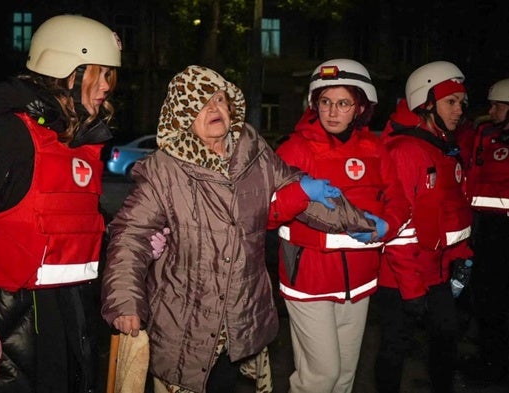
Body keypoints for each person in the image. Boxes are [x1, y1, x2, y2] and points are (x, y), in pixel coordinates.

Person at [99, 65, 379, 393]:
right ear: (182, 114)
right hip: (185, 322)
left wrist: (363, 223)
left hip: (242, 317)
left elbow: (302, 190)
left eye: (219, 99)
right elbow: (131, 235)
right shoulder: (164, 170)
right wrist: (124, 301)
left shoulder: (253, 151)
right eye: (202, 104)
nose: (215, 109)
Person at [0, 14, 121, 393]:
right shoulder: (9, 136)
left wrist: (122, 238)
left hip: (69, 319)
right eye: (98, 73)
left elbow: (73, 230)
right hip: (7, 326)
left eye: (111, 75)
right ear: (66, 72)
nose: (106, 86)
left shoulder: (77, 143)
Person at [270, 58, 410, 393]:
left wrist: (386, 226)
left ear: (360, 106)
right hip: (309, 281)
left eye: (343, 103)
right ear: (314, 104)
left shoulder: (375, 149)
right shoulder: (295, 149)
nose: (333, 112)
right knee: (320, 377)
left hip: (359, 283)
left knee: (345, 378)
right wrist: (301, 193)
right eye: (325, 102)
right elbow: (266, 212)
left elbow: (400, 202)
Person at [376, 60, 474, 393]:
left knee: (445, 342)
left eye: (461, 102)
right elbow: (398, 226)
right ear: (426, 103)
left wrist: (462, 255)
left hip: (437, 272)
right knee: (395, 351)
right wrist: (413, 289)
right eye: (451, 102)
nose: (459, 109)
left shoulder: (444, 148)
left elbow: (452, 212)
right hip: (403, 276)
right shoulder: (406, 152)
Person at [456, 78, 509, 387]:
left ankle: (495, 364)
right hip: (485, 229)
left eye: (498, 106)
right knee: (485, 299)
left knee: (497, 303)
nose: (491, 111)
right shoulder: (485, 134)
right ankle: (489, 357)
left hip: (502, 232)